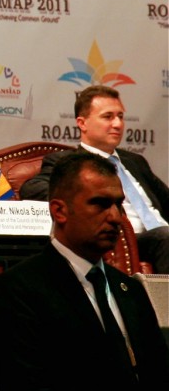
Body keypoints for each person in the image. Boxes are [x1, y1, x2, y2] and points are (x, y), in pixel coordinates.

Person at [0, 152, 169, 391]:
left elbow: (161, 379)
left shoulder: (130, 289)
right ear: (59, 211)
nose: (115, 217)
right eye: (99, 203)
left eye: (118, 204)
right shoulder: (19, 288)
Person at [20, 85, 169, 273]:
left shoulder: (135, 161)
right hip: (126, 239)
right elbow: (32, 188)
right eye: (108, 117)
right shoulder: (69, 162)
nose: (117, 124)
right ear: (82, 123)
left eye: (120, 117)